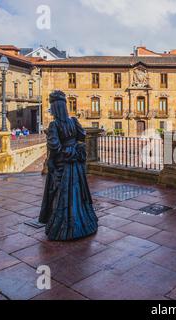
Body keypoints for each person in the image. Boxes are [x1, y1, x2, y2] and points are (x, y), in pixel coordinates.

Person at [39, 90, 98, 241]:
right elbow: (82, 136)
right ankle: (83, 224)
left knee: (63, 196)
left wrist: (62, 154)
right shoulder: (73, 121)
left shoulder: (54, 125)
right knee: (78, 193)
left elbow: (55, 147)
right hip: (76, 165)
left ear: (55, 107)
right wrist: (74, 149)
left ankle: (65, 228)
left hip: (63, 166)